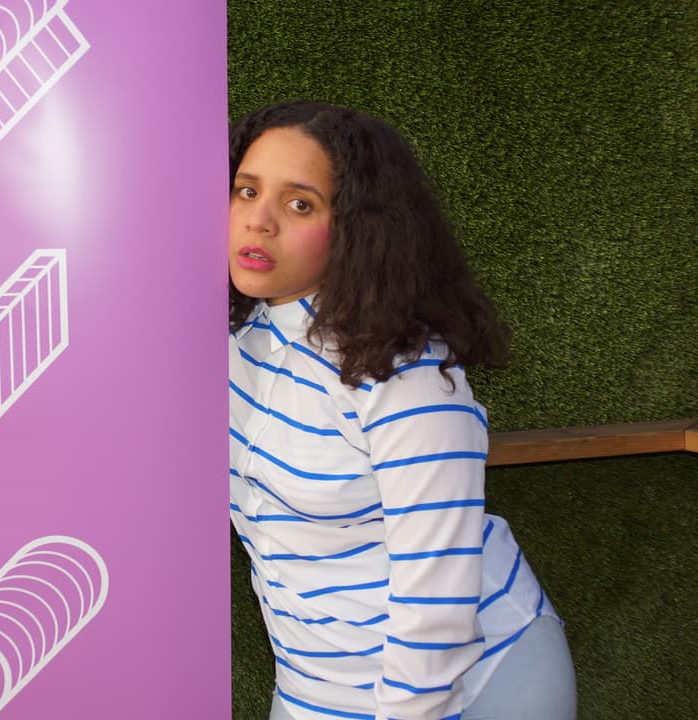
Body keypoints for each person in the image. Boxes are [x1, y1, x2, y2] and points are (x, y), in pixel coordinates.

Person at [227, 101, 576, 720]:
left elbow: (436, 596)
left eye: (299, 203)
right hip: (315, 687)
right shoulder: (236, 343)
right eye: (246, 190)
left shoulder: (406, 374)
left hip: (474, 684)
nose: (258, 222)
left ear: (357, 229)